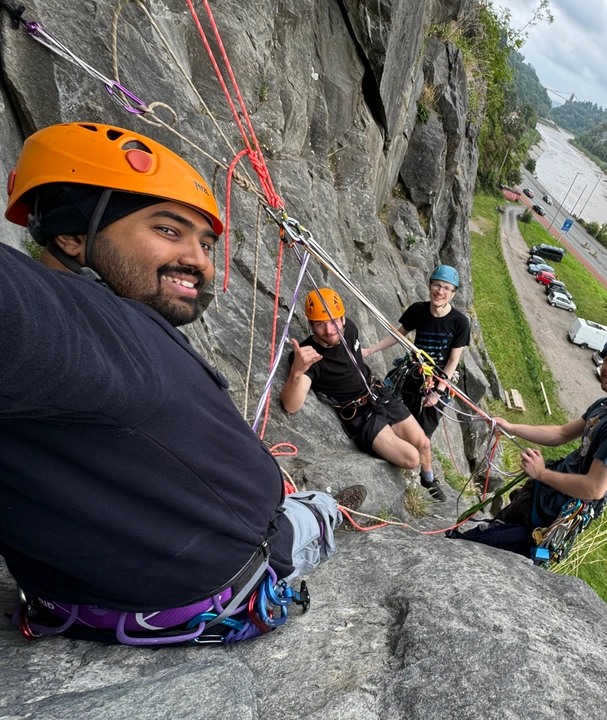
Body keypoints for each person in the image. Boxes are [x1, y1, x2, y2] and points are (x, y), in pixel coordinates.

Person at [0, 122, 363, 645]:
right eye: (169, 230)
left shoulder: (104, 333)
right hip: (229, 580)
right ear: (71, 235)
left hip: (82, 598)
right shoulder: (77, 323)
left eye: (206, 244)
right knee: (318, 509)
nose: (199, 261)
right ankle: (328, 511)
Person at [452, 332, 607, 558]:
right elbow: (562, 434)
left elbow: (594, 488)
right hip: (547, 495)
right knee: (494, 528)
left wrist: (541, 473)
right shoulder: (606, 405)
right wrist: (512, 427)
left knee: (480, 547)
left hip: (552, 513)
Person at [280, 288, 438, 494]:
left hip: (378, 393)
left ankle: (428, 479)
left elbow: (352, 362)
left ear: (343, 319)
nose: (329, 330)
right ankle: (387, 443)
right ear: (311, 325)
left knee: (423, 443)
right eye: (320, 324)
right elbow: (291, 406)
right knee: (412, 458)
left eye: (334, 321)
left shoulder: (350, 330)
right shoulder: (308, 358)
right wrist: (297, 370)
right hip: (360, 416)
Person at [363, 265, 470, 500]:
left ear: (453, 293)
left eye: (446, 288)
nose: (440, 291)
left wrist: (438, 392)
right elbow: (398, 334)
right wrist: (370, 350)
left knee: (424, 431)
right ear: (430, 286)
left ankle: (426, 477)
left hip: (440, 381)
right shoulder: (418, 310)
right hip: (414, 375)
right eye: (437, 285)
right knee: (406, 421)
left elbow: (453, 361)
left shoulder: (459, 322)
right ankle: (401, 456)